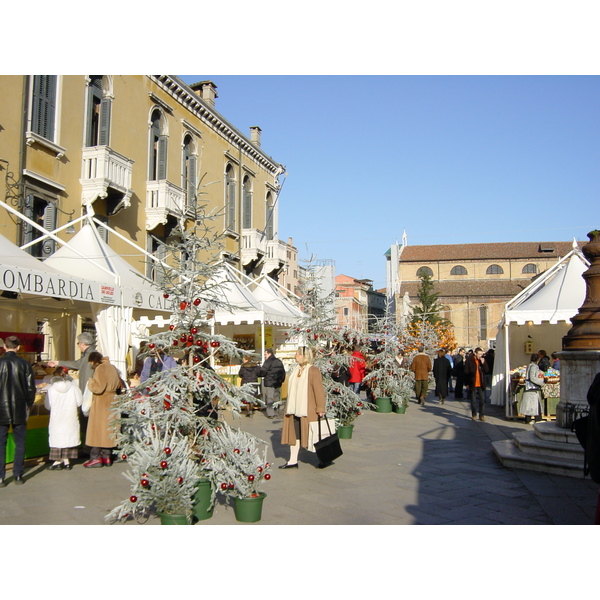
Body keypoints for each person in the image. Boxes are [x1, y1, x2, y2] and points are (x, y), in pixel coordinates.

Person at [279, 346, 326, 469]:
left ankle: (323, 458)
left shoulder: (313, 370)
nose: (295, 355)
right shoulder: (296, 370)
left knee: (313, 435)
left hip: (307, 409)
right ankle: (292, 461)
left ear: (303, 356)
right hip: (294, 408)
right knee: (294, 435)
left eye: (297, 353)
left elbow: (319, 390)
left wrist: (320, 408)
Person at [0, 336, 36, 486]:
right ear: (18, 347)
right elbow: (30, 388)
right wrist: (29, 404)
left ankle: (1, 477)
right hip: (20, 408)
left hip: (1, 408)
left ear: (4, 347)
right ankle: (18, 475)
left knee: (0, 443)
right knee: (20, 442)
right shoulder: (25, 364)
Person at [83, 352, 122, 468]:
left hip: (101, 401)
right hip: (113, 400)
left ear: (93, 360)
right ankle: (107, 456)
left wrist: (90, 382)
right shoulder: (112, 367)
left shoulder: (100, 368)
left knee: (97, 430)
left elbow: (98, 388)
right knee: (108, 430)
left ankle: (96, 458)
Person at [44, 373, 83, 470]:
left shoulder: (51, 389)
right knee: (68, 438)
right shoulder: (74, 388)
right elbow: (79, 402)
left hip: (57, 418)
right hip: (70, 417)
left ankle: (57, 461)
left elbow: (48, 405)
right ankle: (67, 461)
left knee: (57, 439)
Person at [258, 348, 286, 419]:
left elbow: (263, 371)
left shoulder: (268, 361)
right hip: (277, 382)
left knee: (270, 398)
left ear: (269, 353)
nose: (265, 356)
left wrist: (259, 373)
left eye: (265, 354)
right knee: (277, 397)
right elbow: (283, 371)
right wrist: (281, 380)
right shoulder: (279, 361)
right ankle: (276, 412)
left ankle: (270, 413)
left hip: (269, 382)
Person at [464, 347, 489, 421]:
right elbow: (466, 372)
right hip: (472, 383)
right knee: (473, 400)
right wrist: (467, 383)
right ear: (475, 353)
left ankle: (482, 415)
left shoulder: (482, 360)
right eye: (479, 354)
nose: (480, 355)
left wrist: (483, 363)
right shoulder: (469, 360)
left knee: (482, 400)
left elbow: (487, 370)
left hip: (481, 383)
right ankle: (474, 414)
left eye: (482, 354)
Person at [521, 353, 544, 424]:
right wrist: (541, 381)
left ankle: (528, 419)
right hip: (532, 387)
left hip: (529, 387)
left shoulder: (530, 365)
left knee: (529, 404)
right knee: (534, 403)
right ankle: (537, 419)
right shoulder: (534, 366)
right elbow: (532, 378)